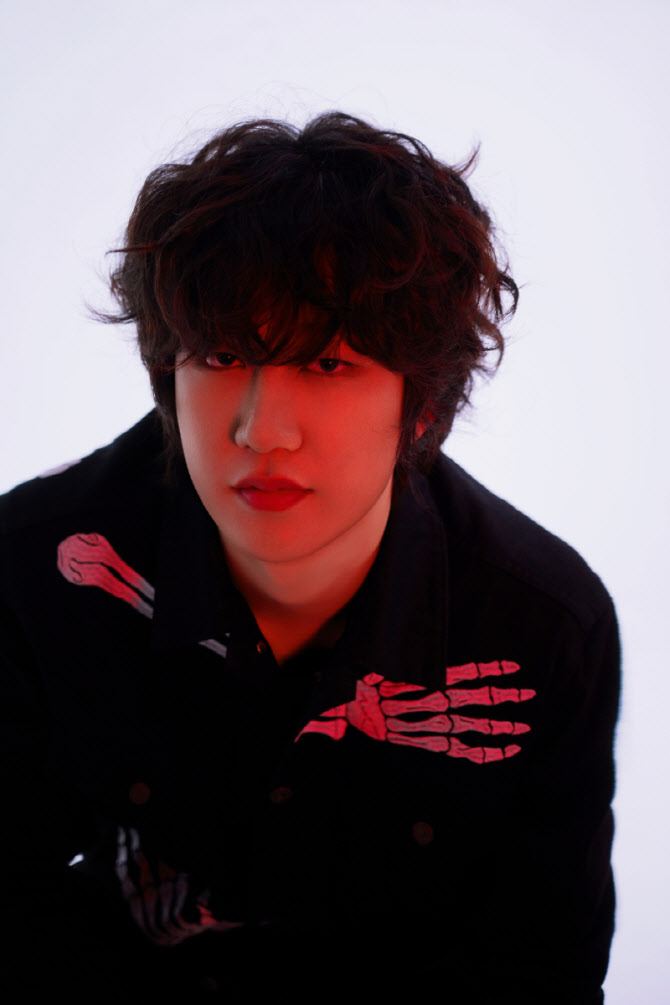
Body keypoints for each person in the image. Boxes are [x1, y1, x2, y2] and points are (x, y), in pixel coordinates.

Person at [0, 112, 620, 1002]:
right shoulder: (37, 567)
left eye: (326, 364)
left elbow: (539, 968)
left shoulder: (545, 624)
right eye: (222, 354)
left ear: (421, 405)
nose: (260, 430)